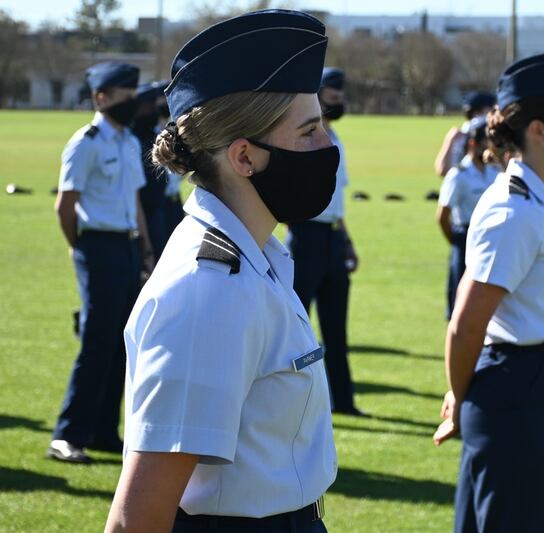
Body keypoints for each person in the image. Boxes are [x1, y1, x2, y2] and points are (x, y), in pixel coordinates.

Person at [105, 10, 337, 532]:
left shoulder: (257, 257)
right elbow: (137, 518)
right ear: (244, 157)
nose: (329, 148)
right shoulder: (210, 291)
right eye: (310, 132)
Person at [433, 52, 544, 533]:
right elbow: (466, 324)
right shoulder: (513, 211)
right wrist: (460, 397)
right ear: (539, 130)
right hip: (517, 387)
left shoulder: (542, 196)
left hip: (537, 384)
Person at [49, 62, 154, 464]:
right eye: (124, 97)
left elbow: (136, 205)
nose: (132, 104)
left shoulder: (128, 141)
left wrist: (145, 249)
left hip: (127, 247)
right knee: (96, 342)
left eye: (133, 96)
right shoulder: (85, 141)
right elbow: (66, 204)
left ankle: (104, 431)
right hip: (97, 247)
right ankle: (67, 435)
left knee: (122, 344)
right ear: (101, 98)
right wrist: (81, 247)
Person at [285, 66, 364, 417]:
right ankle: (296, 400)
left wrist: (346, 240)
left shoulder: (337, 140)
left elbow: (337, 200)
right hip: (306, 235)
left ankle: (343, 402)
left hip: (332, 237)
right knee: (299, 329)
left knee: (336, 326)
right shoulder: (301, 138)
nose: (340, 99)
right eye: (334, 93)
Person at [436, 115, 500, 318]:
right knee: (460, 302)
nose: (488, 148)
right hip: (465, 236)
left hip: (491, 237)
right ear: (472, 143)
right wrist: (456, 241)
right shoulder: (458, 175)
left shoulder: (495, 171)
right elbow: (443, 216)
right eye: (484, 143)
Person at [131, 80, 171, 260]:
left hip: (159, 210)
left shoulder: (152, 135)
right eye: (149, 107)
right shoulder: (131, 140)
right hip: (141, 213)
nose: (153, 111)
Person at [434, 91, 496, 178]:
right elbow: (443, 170)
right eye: (491, 109)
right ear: (477, 112)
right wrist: (449, 141)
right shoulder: (464, 135)